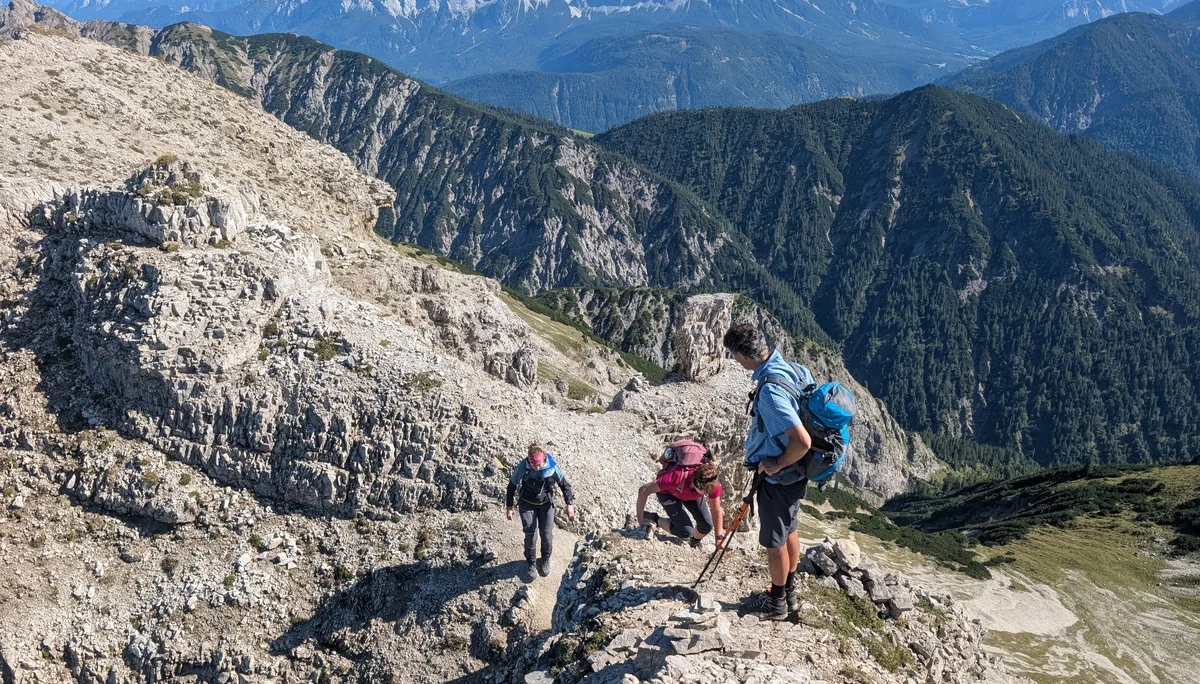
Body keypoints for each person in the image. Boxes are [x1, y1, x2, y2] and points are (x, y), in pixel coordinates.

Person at [723, 322, 812, 620]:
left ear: (743, 356)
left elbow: (802, 440)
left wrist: (775, 464)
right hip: (797, 475)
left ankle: (776, 604)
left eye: (734, 356)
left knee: (773, 542)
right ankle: (789, 592)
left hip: (779, 478)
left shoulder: (771, 391)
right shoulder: (794, 369)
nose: (735, 361)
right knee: (790, 531)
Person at [506, 444, 575, 579]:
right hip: (527, 504)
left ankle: (545, 560)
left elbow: (564, 484)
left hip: (546, 504)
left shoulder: (551, 467)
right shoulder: (523, 467)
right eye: (533, 465)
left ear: (543, 459)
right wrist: (509, 507)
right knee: (531, 535)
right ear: (529, 461)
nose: (536, 468)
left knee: (547, 534)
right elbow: (512, 485)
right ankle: (531, 562)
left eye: (538, 465)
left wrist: (569, 504)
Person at [635, 457, 725, 548]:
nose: (706, 495)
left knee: (706, 525)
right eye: (705, 492)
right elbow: (644, 490)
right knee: (685, 532)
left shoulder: (712, 484)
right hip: (668, 493)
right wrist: (640, 519)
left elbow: (716, 510)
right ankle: (654, 518)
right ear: (695, 484)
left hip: (690, 495)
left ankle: (694, 542)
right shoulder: (675, 477)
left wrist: (719, 537)